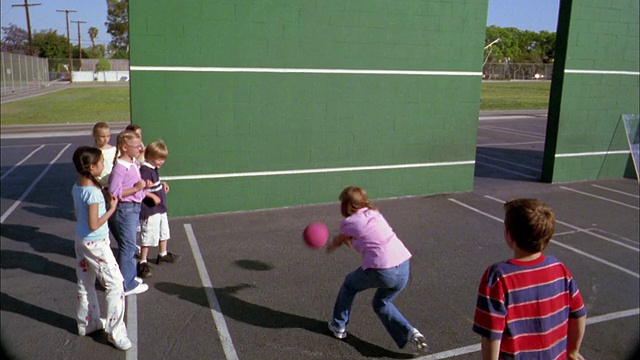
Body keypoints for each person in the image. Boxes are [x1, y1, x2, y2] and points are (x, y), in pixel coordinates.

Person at [472, 198, 587, 360]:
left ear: (509, 235)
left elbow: (491, 335)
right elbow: (579, 315)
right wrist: (573, 350)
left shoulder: (499, 277)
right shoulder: (560, 269)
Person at [326, 186, 429, 355]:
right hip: (403, 267)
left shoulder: (349, 223)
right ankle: (412, 333)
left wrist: (330, 246)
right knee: (381, 304)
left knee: (349, 285)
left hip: (383, 270)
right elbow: (367, 238)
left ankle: (338, 326)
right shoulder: (375, 214)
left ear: (346, 205)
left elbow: (340, 239)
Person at [71, 146, 132, 350]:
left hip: (81, 240)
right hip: (96, 243)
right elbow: (94, 224)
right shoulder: (94, 193)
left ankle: (87, 323)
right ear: (91, 167)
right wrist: (112, 208)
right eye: (101, 163)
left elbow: (77, 216)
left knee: (85, 282)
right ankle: (116, 332)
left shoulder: (77, 186)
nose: (104, 165)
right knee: (115, 284)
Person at [108, 130, 149, 296]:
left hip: (133, 208)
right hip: (126, 210)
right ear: (125, 147)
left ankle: (127, 277)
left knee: (130, 246)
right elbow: (114, 192)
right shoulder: (120, 168)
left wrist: (144, 187)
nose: (140, 149)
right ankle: (128, 284)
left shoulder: (131, 162)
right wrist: (136, 188)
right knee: (129, 247)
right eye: (137, 146)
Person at [136, 140, 182, 279]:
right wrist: (150, 194)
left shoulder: (153, 168)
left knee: (163, 231)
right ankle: (143, 261)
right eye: (159, 158)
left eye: (163, 159)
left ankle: (162, 254)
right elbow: (140, 189)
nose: (161, 162)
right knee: (149, 234)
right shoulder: (144, 169)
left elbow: (154, 184)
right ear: (149, 156)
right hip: (150, 209)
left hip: (160, 207)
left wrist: (162, 185)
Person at [92, 122, 117, 188]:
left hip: (113, 183)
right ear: (95, 135)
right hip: (99, 185)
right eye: (102, 136)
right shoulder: (92, 152)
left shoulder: (114, 150)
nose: (106, 139)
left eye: (108, 136)